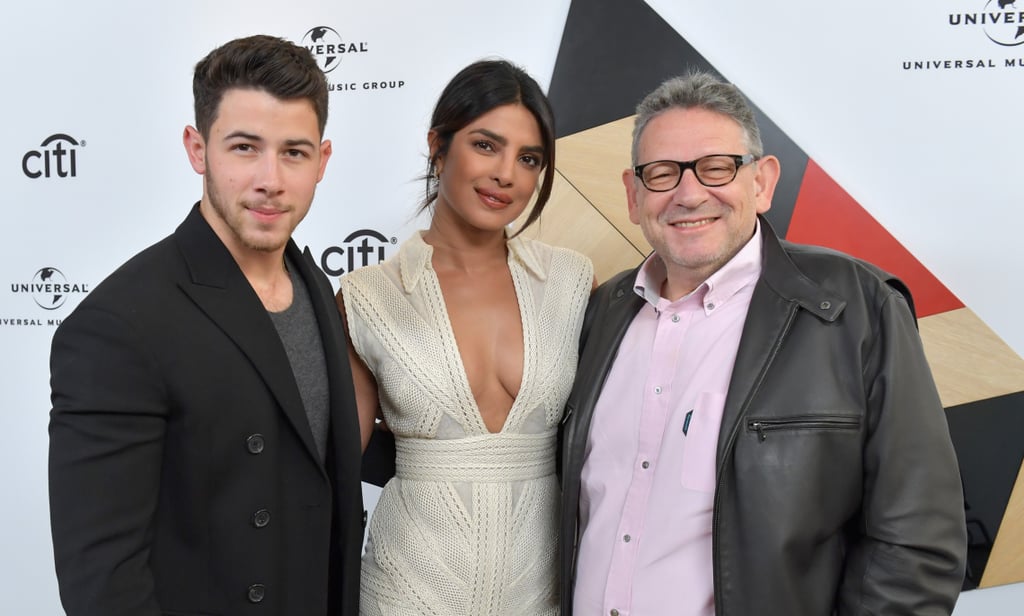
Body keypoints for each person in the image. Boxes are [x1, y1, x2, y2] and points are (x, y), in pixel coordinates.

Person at [558, 71, 967, 616]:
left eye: (716, 167)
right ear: (634, 196)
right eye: (661, 173)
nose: (689, 193)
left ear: (762, 182)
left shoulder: (857, 308)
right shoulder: (599, 316)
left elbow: (918, 541)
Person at [48, 35, 363, 615]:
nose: (271, 179)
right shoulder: (118, 325)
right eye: (245, 148)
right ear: (198, 149)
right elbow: (102, 581)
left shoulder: (315, 283)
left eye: (293, 152)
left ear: (321, 161)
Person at [338, 59, 593, 615]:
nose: (507, 173)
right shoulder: (367, 298)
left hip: (541, 584)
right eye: (485, 145)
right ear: (438, 146)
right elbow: (334, 463)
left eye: (529, 159)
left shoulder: (573, 283)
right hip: (409, 583)